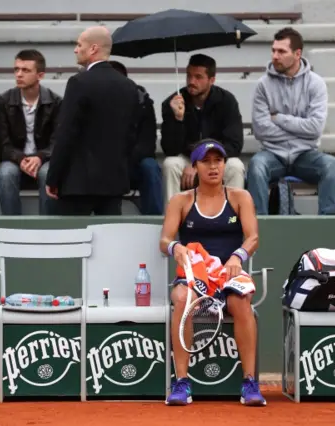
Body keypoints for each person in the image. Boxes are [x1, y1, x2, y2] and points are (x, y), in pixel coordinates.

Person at [159, 140, 265, 407]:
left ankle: (250, 382)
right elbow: (164, 240)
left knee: (241, 301)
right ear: (194, 167)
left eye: (218, 161)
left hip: (230, 273)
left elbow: (253, 237)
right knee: (181, 298)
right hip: (196, 275)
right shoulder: (181, 201)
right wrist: (177, 248)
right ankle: (181, 382)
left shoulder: (241, 197)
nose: (213, 166)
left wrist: (237, 257)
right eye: (206, 161)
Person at [46, 26, 140, 216]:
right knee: (110, 243)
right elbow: (131, 135)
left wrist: (53, 177)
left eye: (79, 44)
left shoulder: (78, 82)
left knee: (72, 242)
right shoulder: (129, 86)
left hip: (78, 184)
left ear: (93, 48)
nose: (75, 49)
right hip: (114, 183)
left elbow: (66, 133)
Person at [247, 27, 335, 215]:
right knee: (256, 165)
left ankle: (328, 226)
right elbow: (260, 130)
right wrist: (299, 129)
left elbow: (315, 128)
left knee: (331, 165)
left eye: (281, 51)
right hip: (273, 155)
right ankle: (259, 228)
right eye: (273, 50)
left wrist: (278, 118)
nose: (275, 56)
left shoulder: (316, 83)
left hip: (305, 155)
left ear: (297, 54)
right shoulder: (263, 85)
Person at [160, 54, 245, 203]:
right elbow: (170, 149)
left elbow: (234, 144)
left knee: (236, 166)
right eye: (189, 76)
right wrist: (178, 119)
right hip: (187, 159)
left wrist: (202, 160)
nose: (192, 82)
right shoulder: (174, 102)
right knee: (170, 164)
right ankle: (171, 221)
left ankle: (232, 221)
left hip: (217, 158)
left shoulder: (226, 101)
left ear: (211, 80)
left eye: (198, 77)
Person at [0, 49, 61, 216]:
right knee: (6, 173)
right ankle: (12, 228)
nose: (19, 74)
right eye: (16, 69)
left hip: (44, 159)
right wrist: (21, 159)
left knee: (48, 173)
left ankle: (47, 229)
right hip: (15, 159)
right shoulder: (3, 101)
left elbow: (57, 141)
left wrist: (39, 156)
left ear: (40, 75)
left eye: (26, 70)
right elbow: (3, 143)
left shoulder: (55, 102)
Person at [108, 60, 163, 215]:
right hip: (105, 166)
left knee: (150, 167)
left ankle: (155, 221)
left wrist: (123, 160)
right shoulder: (96, 102)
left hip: (133, 164)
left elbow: (147, 145)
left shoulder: (143, 102)